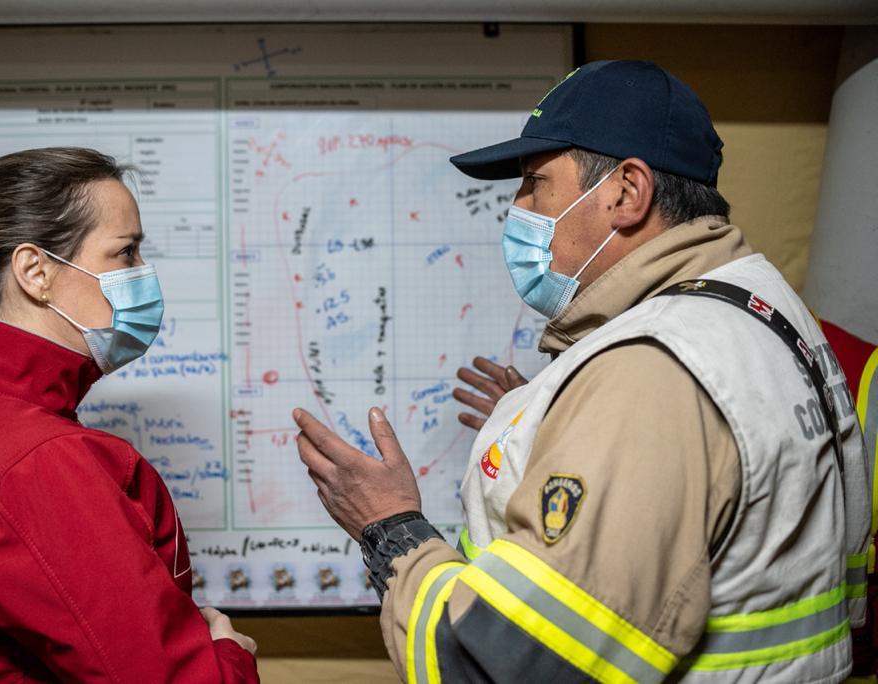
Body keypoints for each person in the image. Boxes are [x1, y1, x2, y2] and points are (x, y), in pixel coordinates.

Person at [292, 60, 872, 682]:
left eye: (534, 183)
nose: (517, 208)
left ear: (627, 192)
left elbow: (504, 665)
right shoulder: (762, 309)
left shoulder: (652, 372)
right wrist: (565, 425)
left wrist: (391, 529)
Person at [0, 148, 258, 682]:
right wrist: (229, 652)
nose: (143, 274)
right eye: (126, 254)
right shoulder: (41, 465)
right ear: (36, 272)